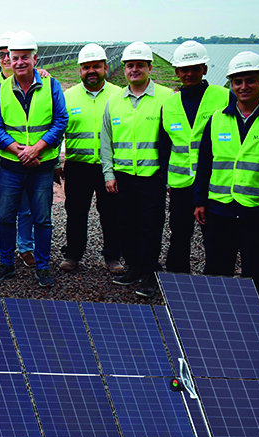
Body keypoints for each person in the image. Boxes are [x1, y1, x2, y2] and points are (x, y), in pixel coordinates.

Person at [194, 51, 259, 306]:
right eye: (237, 82)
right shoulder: (218, 119)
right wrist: (199, 200)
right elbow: (205, 163)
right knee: (216, 265)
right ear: (230, 84)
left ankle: (255, 313)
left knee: (255, 266)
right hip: (219, 207)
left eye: (250, 80)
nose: (243, 87)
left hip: (256, 209)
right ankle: (216, 310)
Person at [0, 31, 68, 287]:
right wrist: (20, 151)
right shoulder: (0, 91)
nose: (20, 62)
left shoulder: (51, 86)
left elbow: (60, 121)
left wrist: (37, 149)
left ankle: (43, 266)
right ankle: (7, 263)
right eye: (15, 57)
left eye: (25, 57)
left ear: (35, 58)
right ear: (8, 60)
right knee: (5, 215)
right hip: (12, 165)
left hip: (42, 166)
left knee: (42, 218)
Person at [101, 41, 171, 298]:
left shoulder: (166, 98)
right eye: (130, 65)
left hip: (152, 176)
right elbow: (106, 141)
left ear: (150, 68)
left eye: (140, 65)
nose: (134, 70)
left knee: (151, 226)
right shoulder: (114, 100)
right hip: (123, 177)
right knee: (127, 224)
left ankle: (150, 273)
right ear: (124, 68)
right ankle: (132, 267)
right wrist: (109, 173)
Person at [159, 40, 229, 274]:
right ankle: (178, 281)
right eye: (184, 69)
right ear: (177, 72)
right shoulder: (169, 103)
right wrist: (167, 180)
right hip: (181, 184)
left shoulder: (224, 97)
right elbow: (166, 145)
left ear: (205, 69)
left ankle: (215, 282)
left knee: (215, 237)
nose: (189, 73)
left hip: (214, 182)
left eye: (195, 68)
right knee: (179, 234)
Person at [60, 43, 123, 274]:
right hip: (78, 166)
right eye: (86, 67)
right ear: (80, 70)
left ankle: (113, 257)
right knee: (75, 212)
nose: (91, 71)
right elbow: (58, 131)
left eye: (96, 66)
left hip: (109, 167)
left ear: (106, 67)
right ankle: (73, 255)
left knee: (111, 214)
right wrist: (57, 163)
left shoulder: (118, 95)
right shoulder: (68, 96)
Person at [0, 31, 36, 270]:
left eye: (9, 54)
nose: (6, 58)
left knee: (25, 205)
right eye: (2, 54)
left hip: (27, 154)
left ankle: (25, 247)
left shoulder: (36, 78)